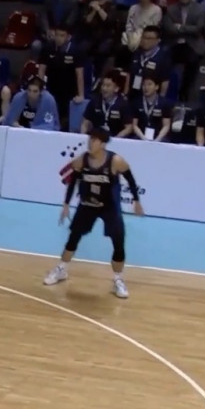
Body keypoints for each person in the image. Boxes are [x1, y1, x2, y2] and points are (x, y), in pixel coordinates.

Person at [43, 128, 144, 298]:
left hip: (109, 207)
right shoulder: (81, 160)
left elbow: (131, 179)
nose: (90, 142)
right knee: (73, 238)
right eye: (90, 139)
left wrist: (136, 201)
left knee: (118, 242)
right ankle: (61, 269)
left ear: (102, 144)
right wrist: (66, 204)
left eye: (94, 140)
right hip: (87, 205)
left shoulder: (115, 161)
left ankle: (118, 280)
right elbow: (73, 182)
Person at [80, 71, 132, 138]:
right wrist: (83, 136)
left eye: (108, 86)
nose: (104, 88)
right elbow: (85, 123)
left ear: (116, 88)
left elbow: (129, 127)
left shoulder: (123, 104)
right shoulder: (94, 101)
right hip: (96, 139)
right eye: (103, 85)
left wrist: (116, 139)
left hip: (115, 138)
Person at [130, 74, 173, 141]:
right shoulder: (136, 102)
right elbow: (134, 125)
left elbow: (166, 126)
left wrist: (157, 139)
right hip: (141, 136)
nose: (146, 87)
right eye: (144, 85)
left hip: (159, 137)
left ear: (156, 87)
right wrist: (143, 138)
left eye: (149, 84)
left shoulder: (164, 103)